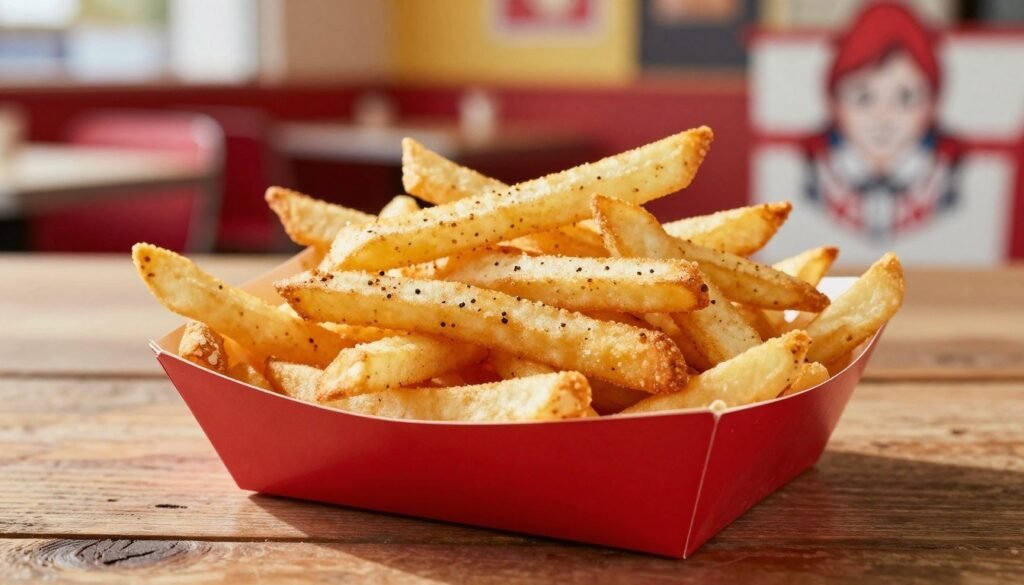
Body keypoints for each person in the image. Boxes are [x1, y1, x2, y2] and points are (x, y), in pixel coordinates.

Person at [803, 3, 961, 240]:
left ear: (932, 106)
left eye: (906, 98)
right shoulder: (819, 174)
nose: (883, 117)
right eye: (863, 98)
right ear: (835, 104)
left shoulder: (943, 178)